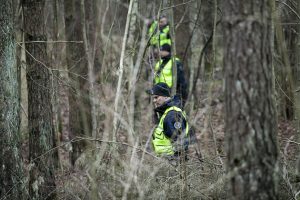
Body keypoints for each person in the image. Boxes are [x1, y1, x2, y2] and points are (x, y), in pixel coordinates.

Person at [147, 82, 190, 158]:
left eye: (156, 97)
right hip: (167, 160)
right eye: (153, 98)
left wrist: (176, 162)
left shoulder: (172, 115)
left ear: (166, 97)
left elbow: (180, 142)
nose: (154, 101)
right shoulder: (167, 112)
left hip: (172, 161)